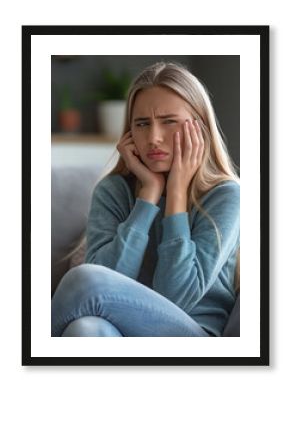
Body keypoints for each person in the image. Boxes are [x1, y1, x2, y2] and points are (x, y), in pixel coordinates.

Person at [51, 61, 240, 337]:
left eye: (169, 122)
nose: (153, 137)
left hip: (192, 336)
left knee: (84, 278)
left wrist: (176, 193)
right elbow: (106, 285)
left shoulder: (225, 195)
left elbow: (177, 297)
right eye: (142, 124)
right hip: (121, 332)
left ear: (199, 129)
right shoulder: (113, 191)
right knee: (86, 328)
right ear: (130, 133)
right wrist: (147, 199)